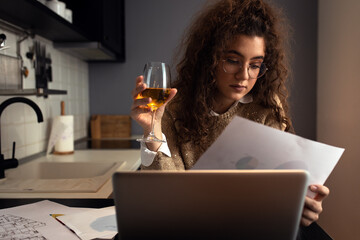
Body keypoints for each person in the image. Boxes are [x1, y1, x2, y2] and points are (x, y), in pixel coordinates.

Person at [131, 0, 329, 230]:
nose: (244, 75)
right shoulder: (173, 106)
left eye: (255, 65)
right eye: (233, 61)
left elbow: (271, 193)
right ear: (210, 59)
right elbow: (166, 196)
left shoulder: (266, 107)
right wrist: (152, 130)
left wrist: (299, 208)